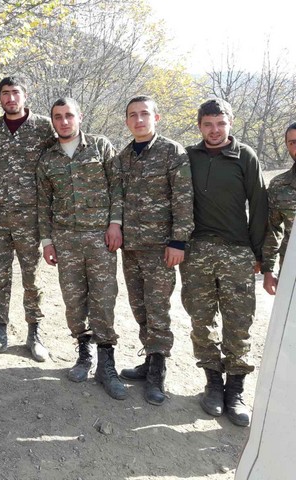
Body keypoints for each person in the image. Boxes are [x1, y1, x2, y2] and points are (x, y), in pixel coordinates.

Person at [181, 98, 268, 427]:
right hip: (197, 251)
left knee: (238, 322)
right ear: (199, 126)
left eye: (220, 123)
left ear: (230, 123)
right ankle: (213, 385)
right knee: (201, 321)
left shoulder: (245, 156)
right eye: (208, 124)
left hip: (236, 251)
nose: (215, 130)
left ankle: (236, 390)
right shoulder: (189, 156)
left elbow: (258, 205)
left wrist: (257, 253)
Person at [37, 98, 125, 399]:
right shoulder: (48, 158)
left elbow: (117, 187)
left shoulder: (100, 146)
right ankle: (84, 355)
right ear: (52, 120)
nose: (64, 121)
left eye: (69, 115)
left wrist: (115, 224)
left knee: (103, 298)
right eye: (58, 117)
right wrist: (47, 241)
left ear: (80, 117)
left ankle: (106, 363)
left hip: (100, 237)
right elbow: (43, 203)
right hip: (66, 240)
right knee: (74, 301)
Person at [0, 76, 56, 361]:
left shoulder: (43, 127)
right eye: (5, 93)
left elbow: (53, 165)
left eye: (15, 92)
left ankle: (35, 333)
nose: (10, 98)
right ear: (0, 98)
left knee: (32, 278)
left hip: (31, 216)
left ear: (25, 95)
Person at [115, 96, 194, 406]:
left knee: (158, 309)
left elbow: (183, 199)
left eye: (144, 114)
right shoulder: (123, 157)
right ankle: (148, 360)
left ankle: (157, 372)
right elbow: (118, 198)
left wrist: (178, 241)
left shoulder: (172, 152)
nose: (139, 120)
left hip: (161, 248)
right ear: (126, 121)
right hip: (131, 247)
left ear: (156, 118)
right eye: (133, 115)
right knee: (139, 307)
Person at [262, 122, 296, 295]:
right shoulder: (279, 185)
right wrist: (268, 270)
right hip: (291, 270)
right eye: (293, 142)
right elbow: (272, 230)